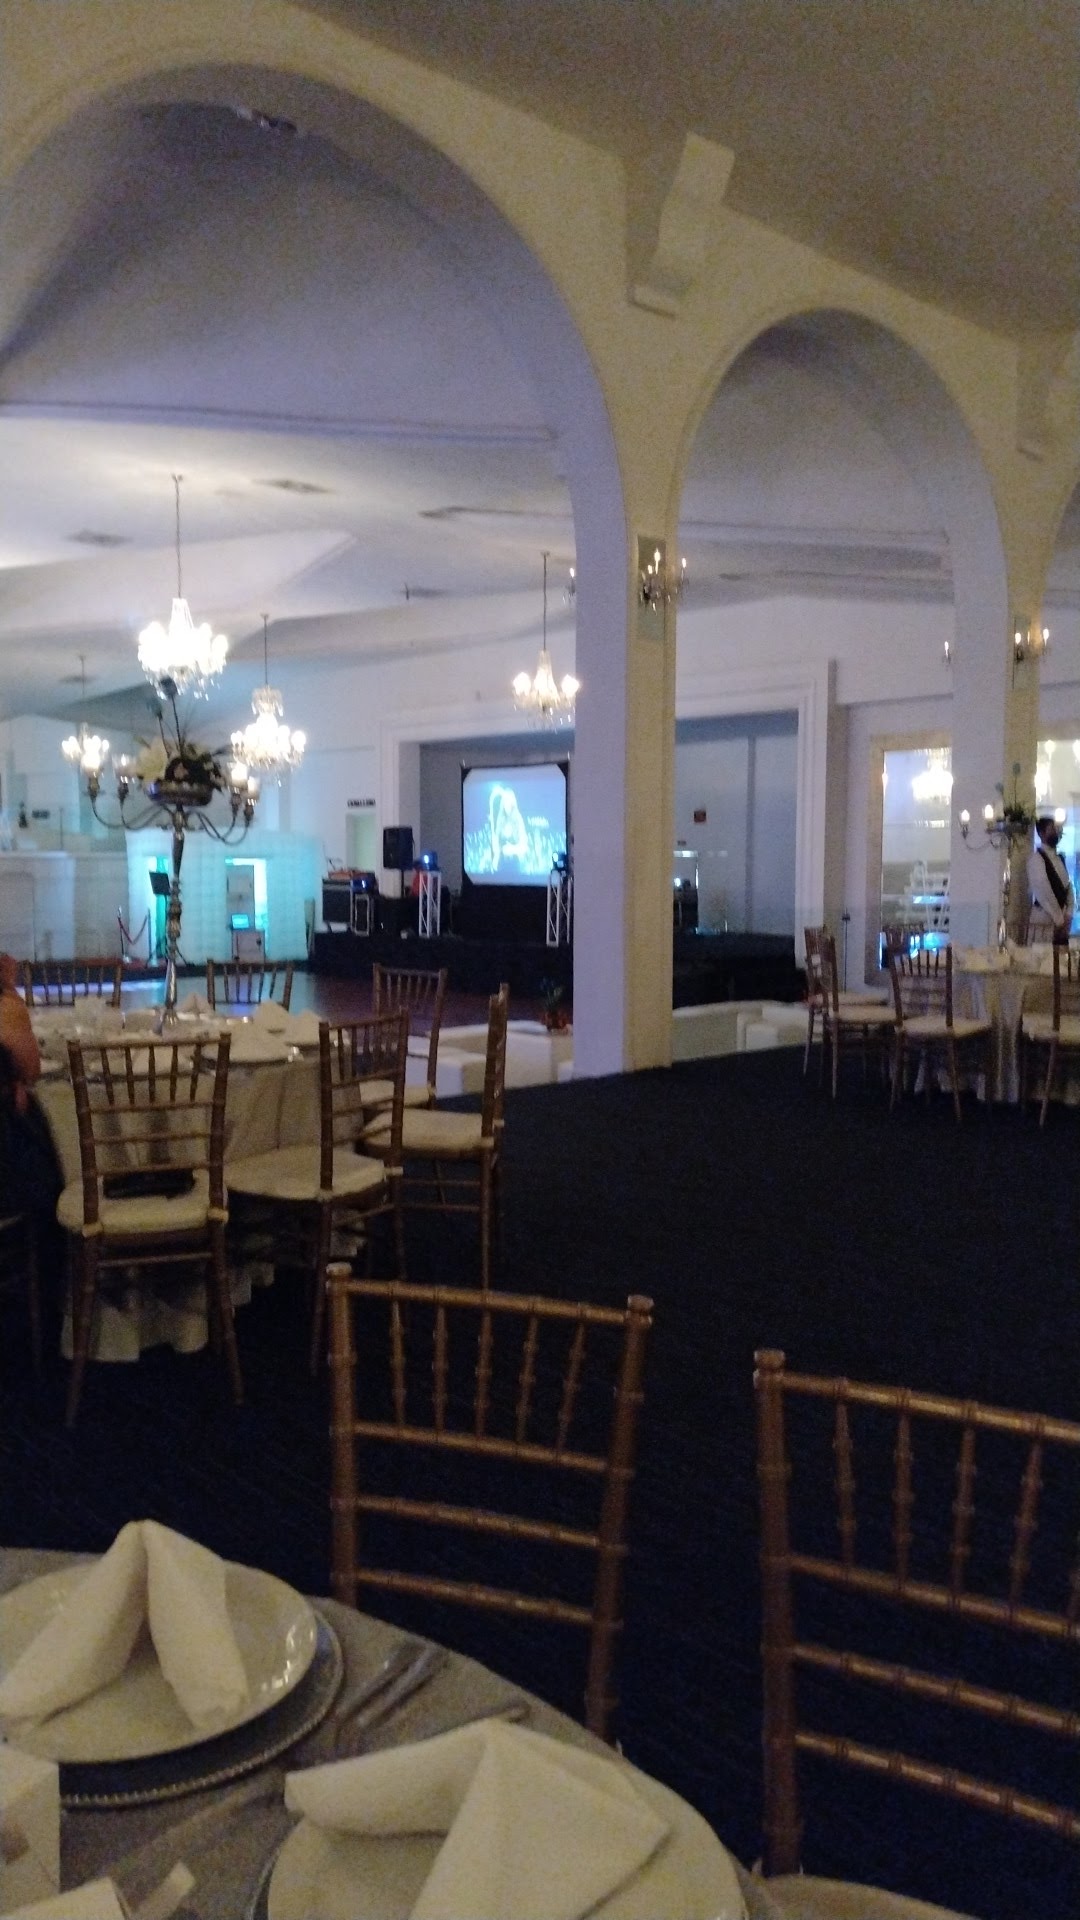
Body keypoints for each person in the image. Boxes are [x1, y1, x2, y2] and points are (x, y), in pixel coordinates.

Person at [1027, 816, 1075, 944]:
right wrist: (1059, 919)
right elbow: (1043, 891)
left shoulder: (1060, 859)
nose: (1056, 832)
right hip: (1044, 919)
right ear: (1041, 833)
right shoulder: (1036, 860)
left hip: (1062, 921)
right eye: (1051, 829)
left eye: (1055, 828)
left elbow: (1068, 887)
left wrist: (1069, 914)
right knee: (1043, 954)